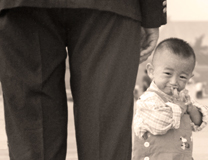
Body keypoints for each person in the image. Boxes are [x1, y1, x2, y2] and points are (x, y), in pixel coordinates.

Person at [0, 1, 167, 160]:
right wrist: (151, 11)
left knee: (33, 134)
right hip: (112, 7)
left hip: (21, 6)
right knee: (105, 130)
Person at [132, 38, 208, 160]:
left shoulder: (182, 98)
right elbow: (160, 124)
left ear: (190, 77)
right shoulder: (147, 100)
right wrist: (179, 107)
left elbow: (199, 123)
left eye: (182, 77)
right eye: (168, 74)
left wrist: (191, 109)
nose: (174, 82)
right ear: (151, 71)